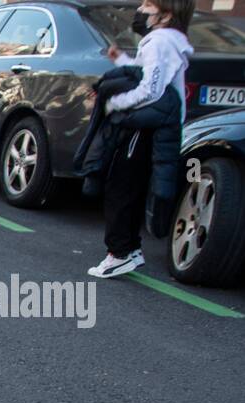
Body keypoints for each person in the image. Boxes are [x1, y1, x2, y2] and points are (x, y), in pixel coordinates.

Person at [87, 0, 194, 279]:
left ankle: (119, 253)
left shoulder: (159, 41)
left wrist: (115, 103)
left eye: (149, 4)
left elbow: (151, 89)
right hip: (153, 126)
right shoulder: (166, 40)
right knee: (131, 187)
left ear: (165, 15)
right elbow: (145, 74)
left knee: (121, 186)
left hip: (144, 126)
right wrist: (121, 60)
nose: (142, 8)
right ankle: (130, 249)